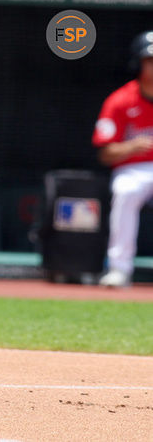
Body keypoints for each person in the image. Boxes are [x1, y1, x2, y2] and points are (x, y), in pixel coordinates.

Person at [93, 30, 153, 288]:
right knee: (125, 191)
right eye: (150, 60)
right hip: (133, 169)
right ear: (139, 63)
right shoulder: (120, 100)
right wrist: (132, 147)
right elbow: (104, 153)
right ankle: (119, 268)